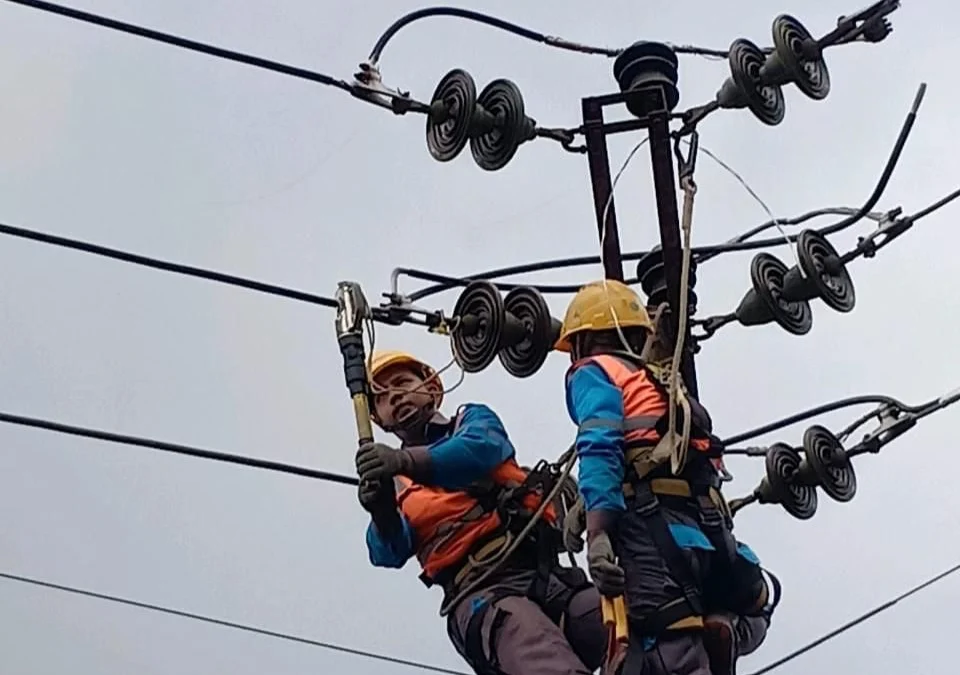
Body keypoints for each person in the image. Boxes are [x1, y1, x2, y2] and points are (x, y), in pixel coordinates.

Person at [555, 280, 779, 675]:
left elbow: (600, 441)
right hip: (707, 532)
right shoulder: (663, 383)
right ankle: (725, 626)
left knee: (663, 643)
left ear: (582, 342)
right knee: (757, 605)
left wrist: (599, 530)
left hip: (649, 534)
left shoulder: (591, 371)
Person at [354, 349, 606, 675]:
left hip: (545, 575)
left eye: (402, 383)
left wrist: (405, 461)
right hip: (482, 595)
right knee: (539, 652)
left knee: (629, 627)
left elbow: (481, 450)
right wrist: (381, 512)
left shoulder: (472, 421)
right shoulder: (395, 485)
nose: (395, 397)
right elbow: (387, 550)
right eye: (383, 398)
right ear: (380, 420)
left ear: (431, 387)